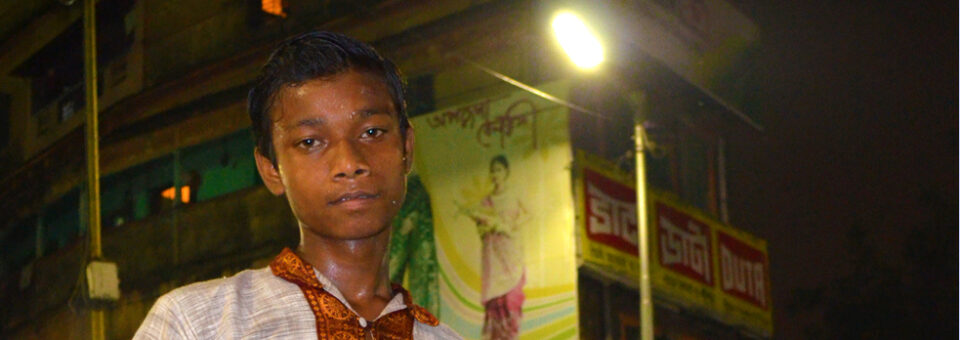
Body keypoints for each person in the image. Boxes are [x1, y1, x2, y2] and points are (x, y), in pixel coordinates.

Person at [134, 31, 460, 340]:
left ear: (406, 148)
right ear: (271, 170)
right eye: (309, 142)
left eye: (372, 132)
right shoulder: (200, 323)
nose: (349, 163)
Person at [461, 155, 528, 340]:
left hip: (511, 252)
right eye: (493, 170)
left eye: (499, 170)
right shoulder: (487, 201)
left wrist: (510, 227)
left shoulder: (514, 194)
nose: (495, 174)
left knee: (511, 299)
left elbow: (529, 215)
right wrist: (485, 224)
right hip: (492, 255)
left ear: (506, 172)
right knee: (495, 302)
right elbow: (481, 230)